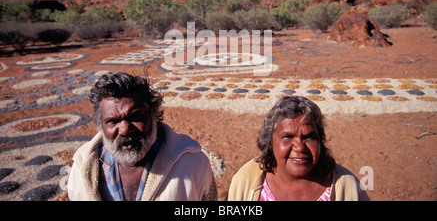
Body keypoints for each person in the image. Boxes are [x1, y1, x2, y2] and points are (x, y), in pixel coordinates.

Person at [67, 71, 217, 201]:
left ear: (153, 115)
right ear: (101, 126)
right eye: (113, 121)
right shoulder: (82, 165)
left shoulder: (192, 163)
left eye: (135, 117)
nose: (125, 130)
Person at [227, 96, 369, 201]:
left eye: (309, 137)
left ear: (320, 141)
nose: (300, 147)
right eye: (287, 137)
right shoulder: (246, 180)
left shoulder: (347, 185)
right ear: (270, 142)